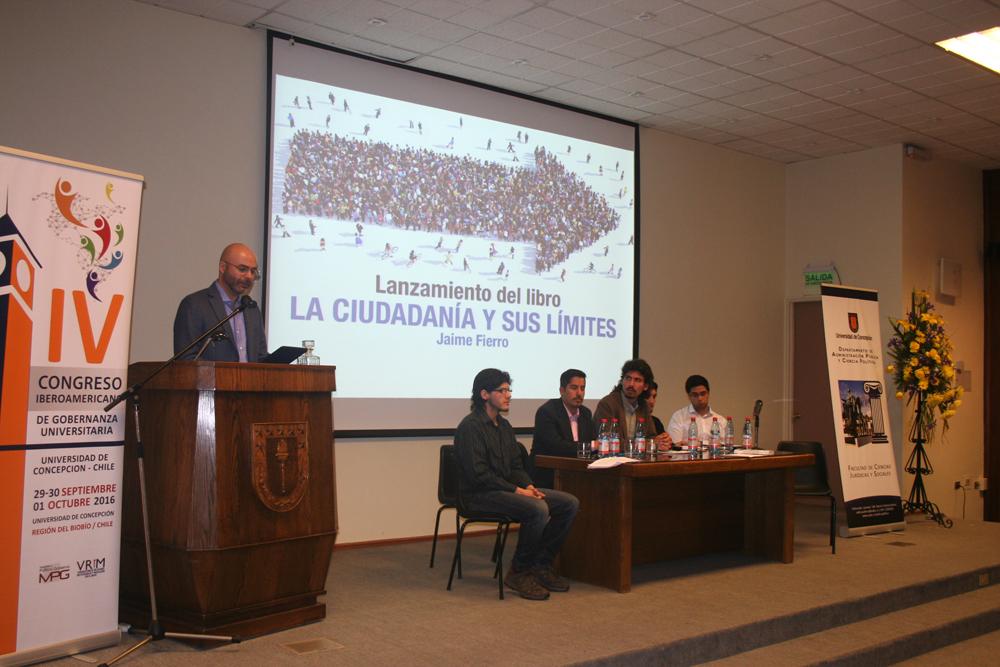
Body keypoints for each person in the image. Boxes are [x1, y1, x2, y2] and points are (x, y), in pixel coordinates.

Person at [454, 369, 579, 600]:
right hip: (479, 495)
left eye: (508, 389)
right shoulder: (470, 427)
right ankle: (519, 572)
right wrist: (517, 491)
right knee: (537, 508)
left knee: (568, 503)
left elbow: (515, 466)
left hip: (505, 491)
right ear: (484, 394)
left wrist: (528, 486)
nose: (508, 395)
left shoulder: (504, 427)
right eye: (502, 390)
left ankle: (540, 565)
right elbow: (479, 475)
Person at [173, 243, 267, 362]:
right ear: (223, 267)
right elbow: (186, 358)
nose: (249, 276)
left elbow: (260, 357)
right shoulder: (194, 305)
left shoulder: (251, 309)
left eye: (253, 271)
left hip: (249, 381)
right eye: (242, 269)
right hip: (212, 381)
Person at [530, 369, 595, 488]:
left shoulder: (586, 413)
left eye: (582, 388)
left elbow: (592, 443)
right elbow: (557, 447)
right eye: (574, 388)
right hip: (549, 477)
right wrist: (593, 446)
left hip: (579, 473)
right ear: (562, 390)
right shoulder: (547, 412)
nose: (579, 393)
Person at [594, 359, 669, 449]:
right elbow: (608, 441)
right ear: (622, 381)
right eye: (628, 378)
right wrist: (648, 444)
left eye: (637, 380)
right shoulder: (607, 404)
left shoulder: (643, 406)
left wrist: (661, 441)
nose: (631, 384)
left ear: (645, 386)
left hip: (637, 460)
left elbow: (650, 436)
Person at [666, 375, 727, 445]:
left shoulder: (721, 420)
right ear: (689, 396)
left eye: (703, 394)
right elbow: (674, 445)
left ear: (708, 393)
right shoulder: (678, 417)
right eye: (695, 395)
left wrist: (692, 443)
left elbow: (725, 446)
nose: (700, 398)